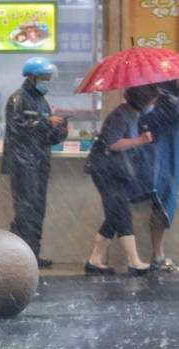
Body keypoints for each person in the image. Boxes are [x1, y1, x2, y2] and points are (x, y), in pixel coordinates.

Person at [84, 85, 158, 276]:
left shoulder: (131, 114)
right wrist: (140, 140)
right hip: (106, 171)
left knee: (114, 214)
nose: (153, 104)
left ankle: (95, 260)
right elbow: (113, 143)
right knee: (121, 212)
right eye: (151, 101)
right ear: (142, 101)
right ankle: (134, 262)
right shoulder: (120, 115)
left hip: (115, 171)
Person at [1, 57, 68, 268]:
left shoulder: (42, 100)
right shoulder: (17, 98)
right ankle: (17, 255)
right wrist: (45, 120)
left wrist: (60, 130)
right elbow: (17, 126)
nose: (47, 81)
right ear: (32, 77)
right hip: (22, 163)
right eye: (44, 77)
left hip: (40, 162)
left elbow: (46, 135)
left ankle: (32, 254)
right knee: (25, 210)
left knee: (38, 209)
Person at [135, 80, 179, 272]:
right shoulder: (160, 95)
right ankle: (157, 254)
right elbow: (144, 122)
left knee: (166, 202)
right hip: (161, 157)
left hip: (172, 155)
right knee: (161, 202)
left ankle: (158, 255)